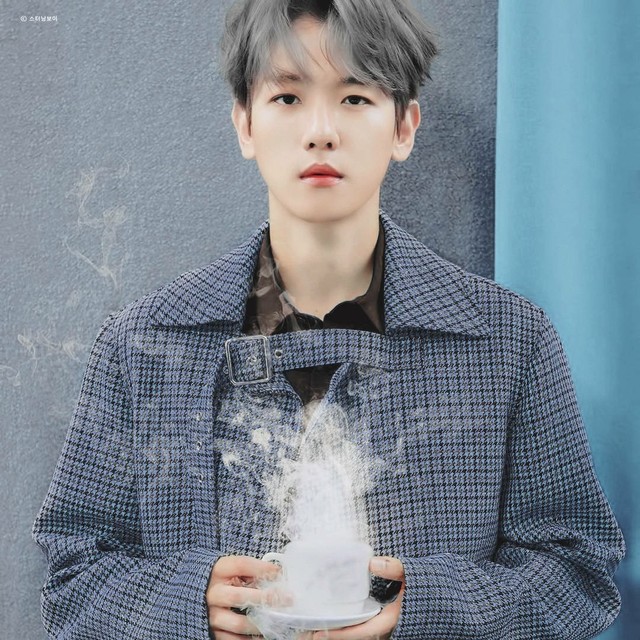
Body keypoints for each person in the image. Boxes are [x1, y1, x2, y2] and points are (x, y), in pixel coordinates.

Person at [33, 1, 625, 639]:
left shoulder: (510, 341)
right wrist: (188, 604)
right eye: (287, 98)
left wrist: (423, 606)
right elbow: (73, 580)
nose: (320, 131)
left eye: (355, 98)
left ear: (404, 128)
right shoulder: (142, 346)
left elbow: (577, 576)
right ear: (245, 124)